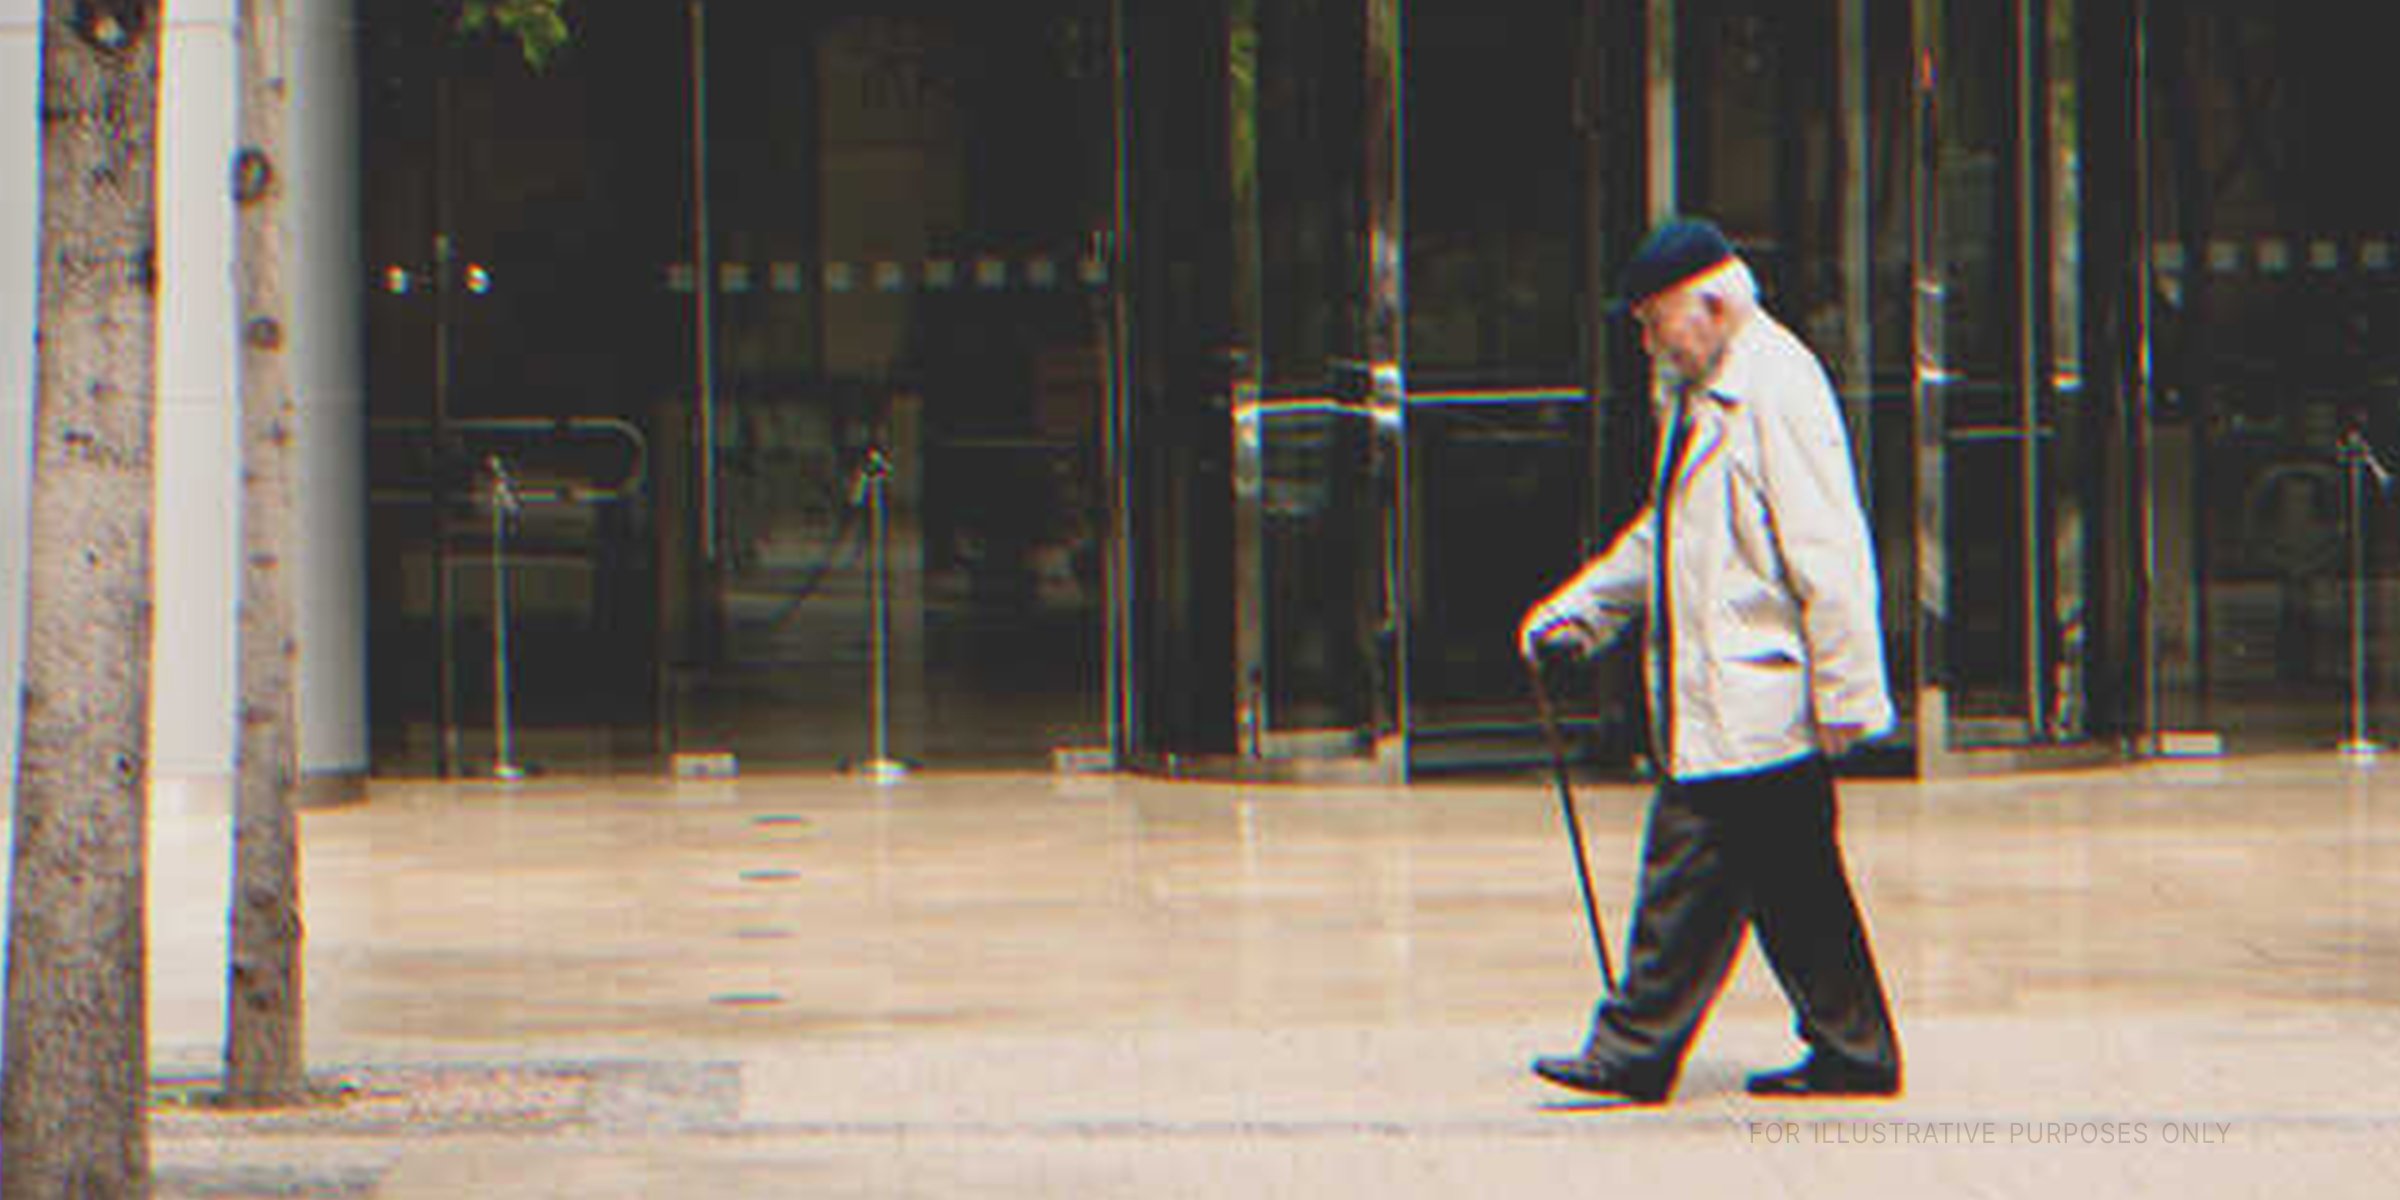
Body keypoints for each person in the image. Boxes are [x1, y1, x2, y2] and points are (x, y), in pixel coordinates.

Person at [1518, 216, 1901, 1104]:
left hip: (1755, 699)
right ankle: (1854, 1048)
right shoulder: (1705, 394)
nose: (1651, 343)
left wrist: (1850, 696)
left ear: (1715, 301)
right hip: (1731, 699)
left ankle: (1636, 1048)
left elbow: (1829, 550)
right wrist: (1579, 611)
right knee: (1796, 889)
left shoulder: (1777, 389)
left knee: (1687, 870)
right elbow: (1667, 537)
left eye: (1657, 322)